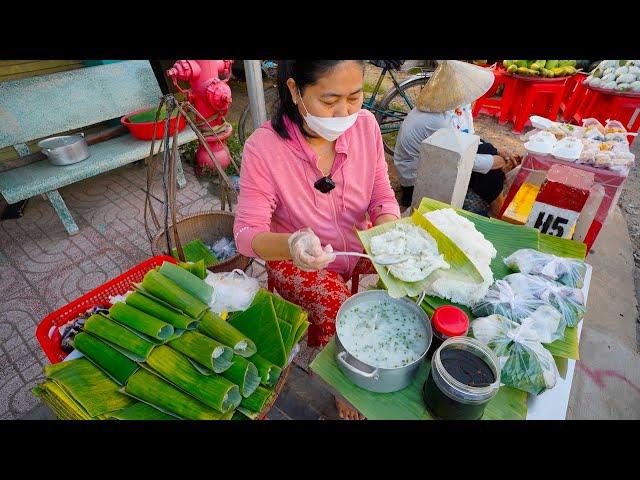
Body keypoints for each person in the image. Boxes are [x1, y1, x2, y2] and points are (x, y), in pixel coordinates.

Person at [233, 60, 401, 419]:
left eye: (355, 97)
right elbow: (246, 235)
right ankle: (343, 383)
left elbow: (382, 196)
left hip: (356, 244)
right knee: (336, 304)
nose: (344, 112)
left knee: (412, 266)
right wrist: (291, 244)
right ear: (295, 91)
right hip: (295, 256)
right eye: (330, 100)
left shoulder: (367, 127)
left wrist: (386, 230)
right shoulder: (263, 149)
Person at [393, 60, 521, 217]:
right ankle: (501, 216)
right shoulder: (437, 119)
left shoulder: (440, 110)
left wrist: (496, 152)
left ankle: (498, 199)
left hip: (430, 161)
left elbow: (466, 138)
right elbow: (461, 158)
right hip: (414, 181)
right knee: (489, 175)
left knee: (488, 149)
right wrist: (494, 162)